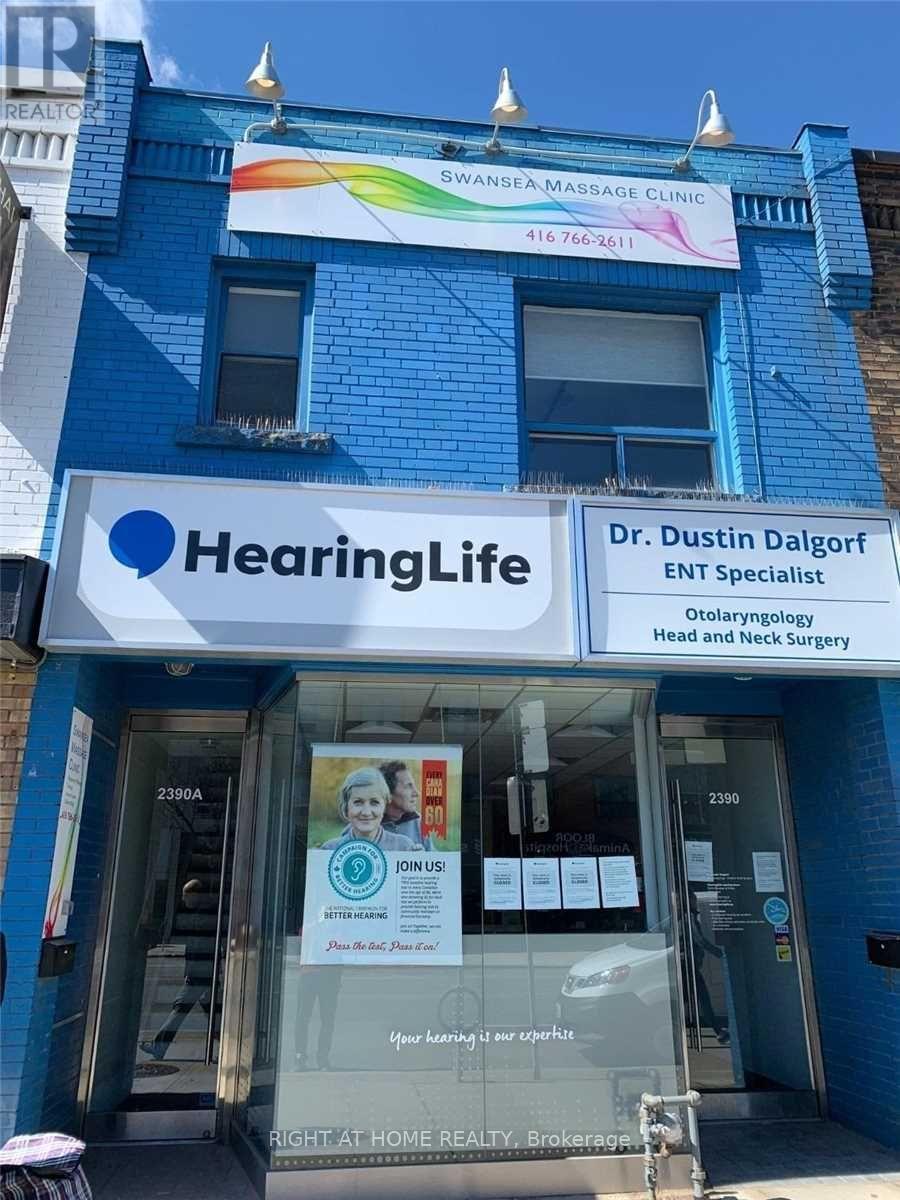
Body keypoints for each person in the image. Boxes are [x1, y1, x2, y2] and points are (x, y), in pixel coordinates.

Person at [139, 878, 212, 1061]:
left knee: (180, 1008)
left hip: (200, 974)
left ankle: (158, 1046)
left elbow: (199, 947)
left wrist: (192, 973)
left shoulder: (200, 918)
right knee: (211, 1013)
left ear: (195, 896)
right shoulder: (201, 915)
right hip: (203, 973)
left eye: (186, 895)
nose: (183, 899)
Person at [320, 767, 418, 850]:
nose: (366, 812)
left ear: (384, 807)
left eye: (374, 803)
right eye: (358, 802)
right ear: (346, 807)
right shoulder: (330, 849)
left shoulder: (404, 847)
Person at [380, 760, 433, 849]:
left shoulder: (419, 822)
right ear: (388, 792)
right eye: (408, 786)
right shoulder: (368, 824)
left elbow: (433, 854)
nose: (417, 793)